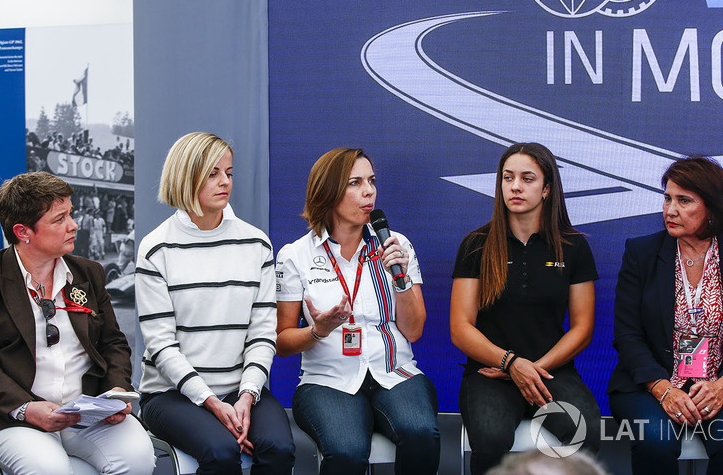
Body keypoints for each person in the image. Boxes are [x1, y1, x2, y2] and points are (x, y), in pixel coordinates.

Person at [0, 171, 155, 475]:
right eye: (60, 219)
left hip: (87, 412)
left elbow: (113, 343)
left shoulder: (89, 273)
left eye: (70, 214)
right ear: (23, 231)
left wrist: (115, 393)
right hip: (9, 415)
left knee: (137, 458)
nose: (74, 225)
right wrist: (27, 408)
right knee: (50, 468)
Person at [136, 132, 295, 474]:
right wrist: (210, 402)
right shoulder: (156, 248)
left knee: (279, 448)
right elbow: (162, 345)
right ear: (185, 176)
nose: (225, 182)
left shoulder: (257, 244)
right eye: (213, 173)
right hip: (171, 395)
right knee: (222, 453)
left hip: (241, 389)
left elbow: (263, 333)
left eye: (229, 172)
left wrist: (247, 397)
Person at [276, 148, 441, 475]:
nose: (369, 191)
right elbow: (281, 342)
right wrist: (318, 330)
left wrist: (401, 279)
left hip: (395, 372)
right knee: (347, 452)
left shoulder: (397, 245)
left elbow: (414, 331)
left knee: (422, 434)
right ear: (329, 192)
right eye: (355, 183)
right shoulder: (295, 256)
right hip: (327, 380)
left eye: (371, 181)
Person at [608, 156, 723, 475]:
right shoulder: (640, 254)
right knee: (655, 440)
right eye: (667, 198)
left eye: (684, 200)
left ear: (712, 207)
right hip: (650, 383)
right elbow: (627, 336)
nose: (670, 210)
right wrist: (662, 388)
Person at [450, 142, 600, 475]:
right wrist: (510, 363)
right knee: (489, 441)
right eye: (508, 177)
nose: (515, 186)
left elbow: (583, 328)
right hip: (491, 373)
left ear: (547, 189)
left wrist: (533, 369)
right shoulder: (476, 244)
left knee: (586, 431)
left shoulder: (574, 246)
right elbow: (460, 327)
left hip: (552, 372)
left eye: (527, 178)